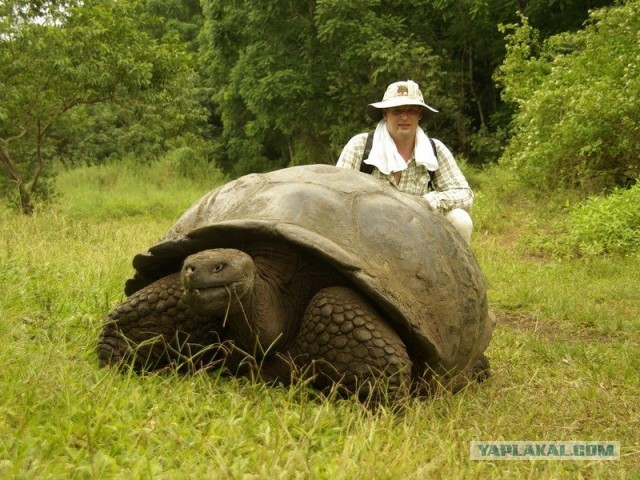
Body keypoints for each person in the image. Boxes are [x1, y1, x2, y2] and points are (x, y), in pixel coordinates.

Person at [336, 80, 474, 243]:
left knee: (461, 219)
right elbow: (336, 196)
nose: (404, 117)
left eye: (411, 111)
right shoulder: (360, 146)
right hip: (369, 232)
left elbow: (465, 194)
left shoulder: (434, 149)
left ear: (420, 114)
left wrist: (428, 202)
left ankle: (451, 269)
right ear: (385, 113)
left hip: (419, 230)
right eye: (397, 111)